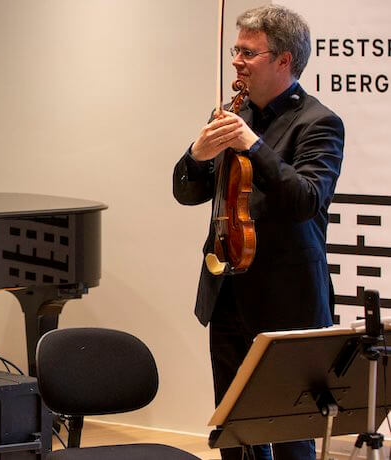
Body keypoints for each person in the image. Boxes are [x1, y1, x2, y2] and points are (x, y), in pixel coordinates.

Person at [172, 5, 344, 460]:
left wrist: (254, 145)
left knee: (290, 434)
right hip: (228, 289)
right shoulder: (233, 112)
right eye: (236, 50)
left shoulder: (319, 123)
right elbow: (187, 193)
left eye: (248, 52)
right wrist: (197, 154)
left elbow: (306, 200)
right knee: (234, 429)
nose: (236, 61)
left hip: (289, 300)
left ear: (284, 60)